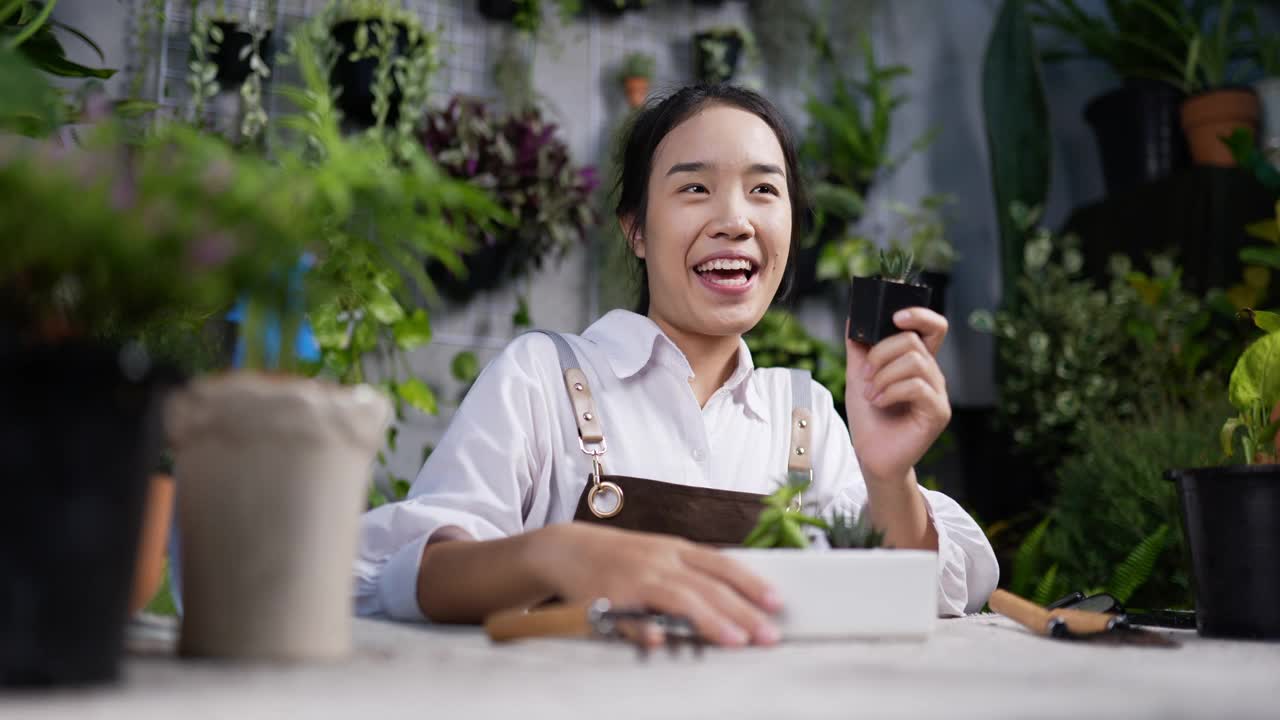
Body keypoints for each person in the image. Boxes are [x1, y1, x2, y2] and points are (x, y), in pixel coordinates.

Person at [355, 84, 998, 648]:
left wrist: (889, 476)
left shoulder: (804, 415)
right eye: (695, 188)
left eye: (764, 191)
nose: (734, 220)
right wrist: (556, 553)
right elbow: (404, 577)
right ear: (636, 230)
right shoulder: (543, 377)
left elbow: (924, 596)